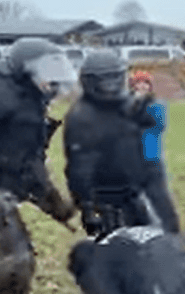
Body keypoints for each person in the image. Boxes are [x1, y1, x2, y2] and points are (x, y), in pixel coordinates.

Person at [64, 49, 166, 237]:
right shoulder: (81, 117)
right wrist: (87, 208)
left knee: (155, 245)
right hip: (103, 201)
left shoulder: (126, 105)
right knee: (113, 254)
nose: (109, 87)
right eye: (103, 81)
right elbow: (79, 169)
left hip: (134, 193)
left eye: (113, 79)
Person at [0, 37, 77, 227]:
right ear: (26, 69)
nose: (51, 81)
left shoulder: (30, 102)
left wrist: (55, 204)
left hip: (1, 191)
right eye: (46, 72)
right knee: (12, 254)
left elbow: (27, 162)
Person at [129, 70, 180, 232]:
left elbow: (157, 123)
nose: (142, 87)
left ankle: (171, 228)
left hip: (151, 157)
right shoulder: (127, 104)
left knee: (159, 196)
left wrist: (138, 107)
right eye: (138, 83)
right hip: (132, 159)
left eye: (145, 83)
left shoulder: (157, 105)